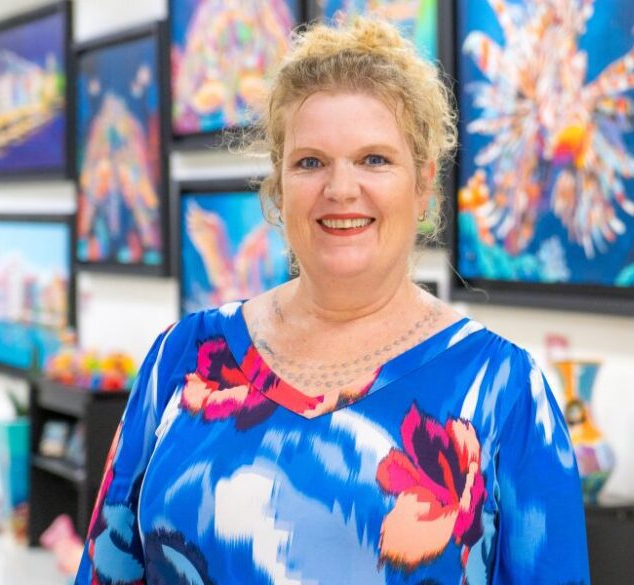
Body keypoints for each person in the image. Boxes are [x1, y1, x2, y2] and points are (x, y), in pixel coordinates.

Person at [75, 17, 589, 584]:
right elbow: (108, 568)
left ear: (424, 185)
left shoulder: (503, 391)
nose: (341, 189)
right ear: (279, 187)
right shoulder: (182, 357)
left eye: (375, 159)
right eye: (311, 162)